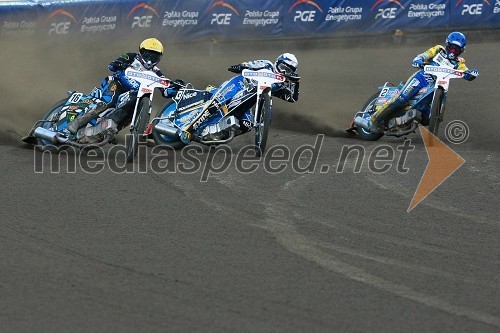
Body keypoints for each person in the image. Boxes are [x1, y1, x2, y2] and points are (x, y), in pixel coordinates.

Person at [66, 38, 182, 136]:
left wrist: (176, 87)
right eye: (148, 54)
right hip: (117, 83)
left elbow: (166, 91)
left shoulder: (157, 72)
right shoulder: (131, 57)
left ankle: (109, 130)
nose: (150, 59)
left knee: (131, 113)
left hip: (134, 94)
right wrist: (120, 64)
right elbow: (112, 65)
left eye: (154, 56)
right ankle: (77, 122)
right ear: (141, 52)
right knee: (108, 101)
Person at [369, 31, 479, 133]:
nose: (453, 52)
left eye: (457, 50)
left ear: (462, 50)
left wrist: (471, 74)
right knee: (401, 99)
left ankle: (406, 121)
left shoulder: (459, 63)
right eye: (451, 48)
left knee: (426, 118)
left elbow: (466, 73)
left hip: (439, 86)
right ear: (447, 44)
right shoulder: (438, 49)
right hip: (422, 78)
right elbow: (424, 55)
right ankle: (373, 120)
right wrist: (418, 60)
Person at [178, 52, 300, 143]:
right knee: (216, 103)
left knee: (247, 125)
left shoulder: (279, 84)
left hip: (247, 101)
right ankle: (188, 129)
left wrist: (296, 83)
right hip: (239, 85)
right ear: (277, 63)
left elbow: (291, 98)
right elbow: (250, 64)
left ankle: (217, 135)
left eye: (287, 71)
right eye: (283, 68)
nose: (283, 72)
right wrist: (240, 66)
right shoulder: (267, 64)